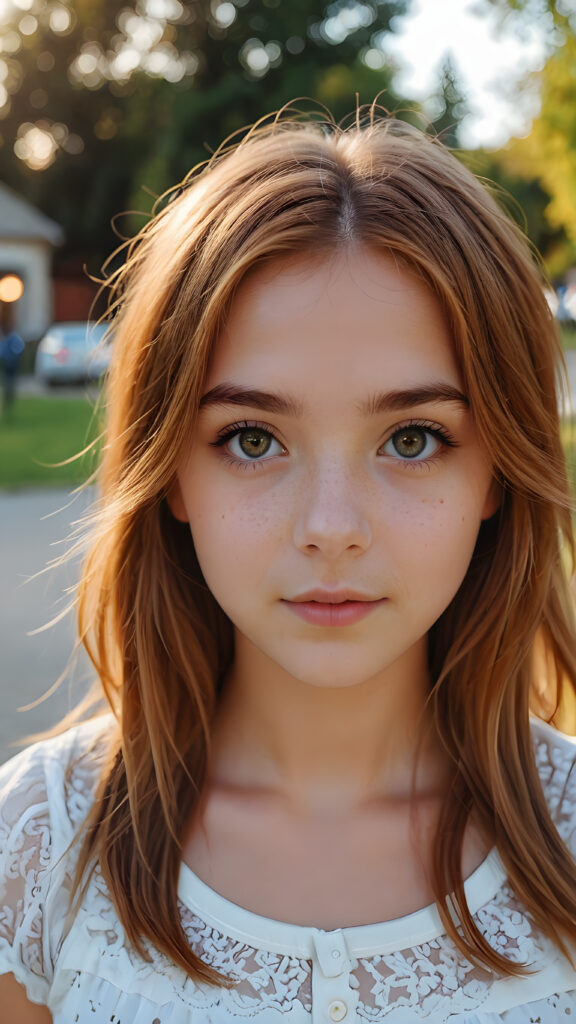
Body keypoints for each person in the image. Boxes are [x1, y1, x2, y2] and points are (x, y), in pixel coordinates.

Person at [1, 105, 576, 1023]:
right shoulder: (36, 854)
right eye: (254, 438)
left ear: (498, 475)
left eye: (415, 437)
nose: (331, 527)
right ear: (171, 474)